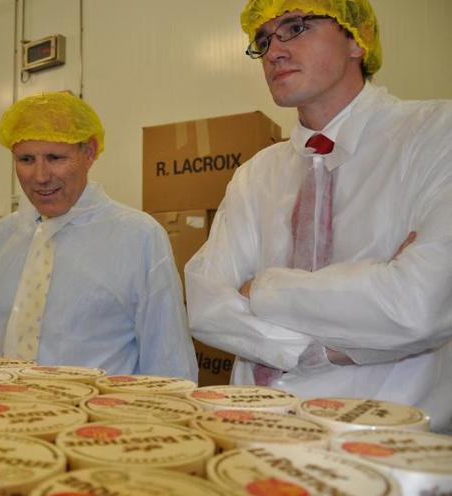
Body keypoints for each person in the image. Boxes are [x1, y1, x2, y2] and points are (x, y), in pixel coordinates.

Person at [185, 0, 452, 433]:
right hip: (258, 432)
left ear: (356, 40)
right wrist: (336, 344)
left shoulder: (437, 136)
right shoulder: (255, 174)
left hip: (387, 446)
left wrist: (262, 290)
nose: (274, 51)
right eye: (264, 39)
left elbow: (417, 306)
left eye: (295, 26)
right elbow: (206, 306)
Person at [0, 92, 198, 381]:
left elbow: (168, 356)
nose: (40, 176)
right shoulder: (2, 238)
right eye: (26, 159)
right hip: (4, 417)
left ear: (89, 152)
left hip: (99, 420)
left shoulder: (138, 236)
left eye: (55, 158)